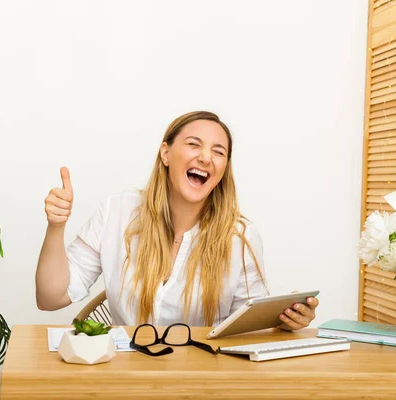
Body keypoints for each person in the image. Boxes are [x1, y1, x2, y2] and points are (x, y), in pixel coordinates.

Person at [35, 111, 318, 330]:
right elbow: (50, 298)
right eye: (194, 145)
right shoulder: (117, 211)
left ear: (223, 169)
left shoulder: (240, 237)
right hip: (125, 380)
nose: (206, 157)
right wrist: (56, 226)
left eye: (219, 152)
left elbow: (246, 328)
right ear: (166, 153)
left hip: (202, 383)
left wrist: (284, 321)